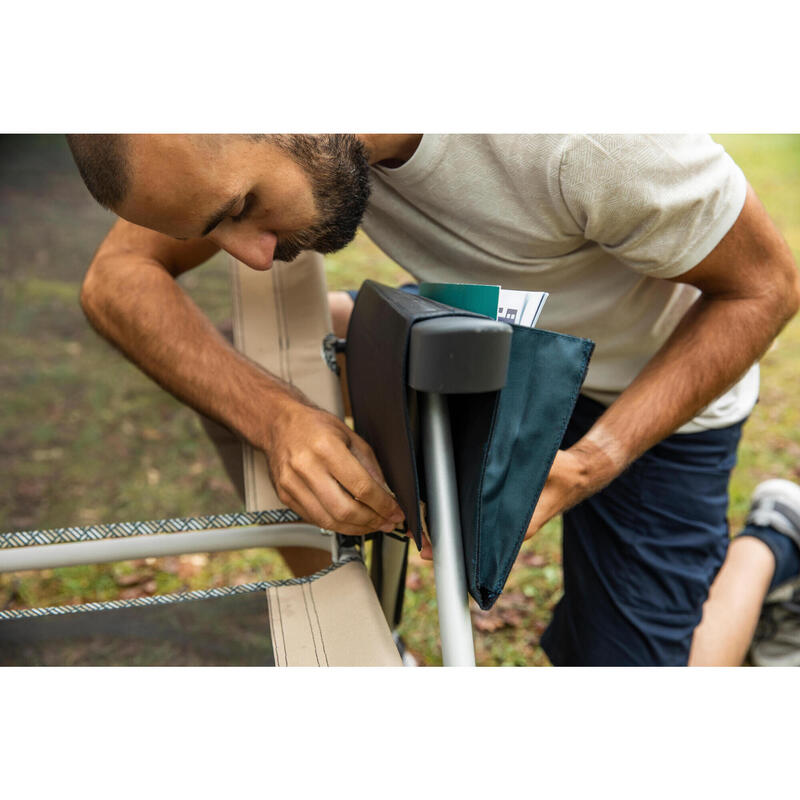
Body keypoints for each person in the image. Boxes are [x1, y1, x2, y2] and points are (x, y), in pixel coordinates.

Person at [65, 134, 800, 665]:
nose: (252, 254)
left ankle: (774, 539)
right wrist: (278, 416)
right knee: (249, 366)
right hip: (494, 346)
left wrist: (592, 461)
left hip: (654, 388)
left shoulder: (590, 141)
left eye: (244, 206)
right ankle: (377, 653)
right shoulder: (251, 145)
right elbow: (116, 278)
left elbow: (766, 287)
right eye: (215, 227)